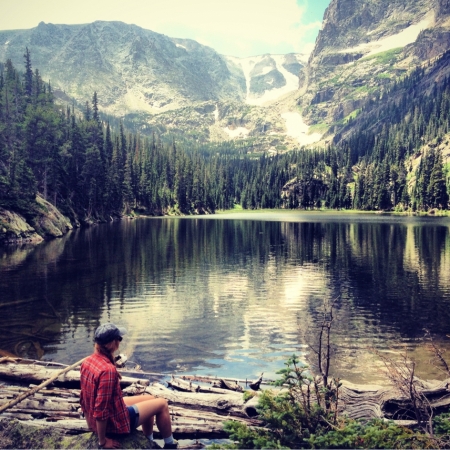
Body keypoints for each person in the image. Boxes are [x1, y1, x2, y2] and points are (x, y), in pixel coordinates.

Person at [80, 323, 178, 449]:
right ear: (112, 343)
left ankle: (148, 441)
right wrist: (102, 442)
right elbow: (101, 411)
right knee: (162, 404)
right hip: (116, 424)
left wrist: (91, 425)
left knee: (150, 399)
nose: (120, 342)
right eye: (119, 339)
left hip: (109, 413)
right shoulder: (107, 370)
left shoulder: (88, 361)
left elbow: (84, 398)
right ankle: (170, 445)